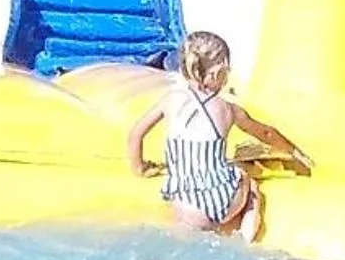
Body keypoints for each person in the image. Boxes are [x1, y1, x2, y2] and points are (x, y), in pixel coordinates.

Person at [127, 30, 311, 238]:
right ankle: (247, 238)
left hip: (184, 206)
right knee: (250, 185)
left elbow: (135, 134)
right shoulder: (227, 109)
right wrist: (293, 151)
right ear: (216, 75)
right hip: (221, 204)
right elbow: (266, 133)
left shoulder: (169, 100)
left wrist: (140, 168)